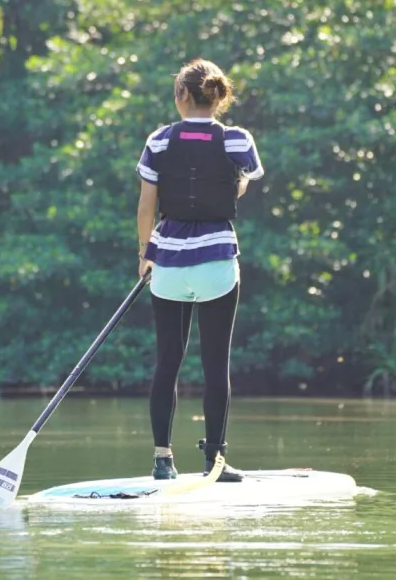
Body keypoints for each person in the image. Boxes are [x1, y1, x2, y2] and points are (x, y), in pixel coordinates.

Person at [135, 58, 264, 482]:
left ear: (182, 95)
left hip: (168, 261)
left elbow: (146, 204)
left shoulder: (158, 140)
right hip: (216, 261)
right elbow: (242, 182)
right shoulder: (236, 139)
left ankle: (162, 460)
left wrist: (144, 253)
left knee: (167, 361)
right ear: (218, 97)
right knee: (215, 363)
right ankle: (216, 462)